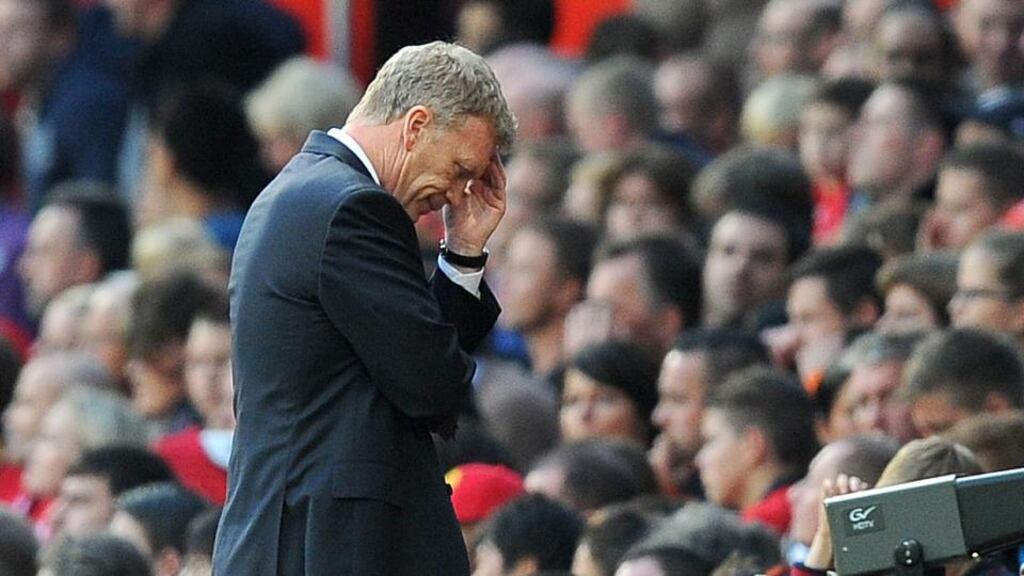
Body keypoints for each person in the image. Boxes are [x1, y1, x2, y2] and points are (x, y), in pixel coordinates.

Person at [214, 42, 516, 576]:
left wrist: (462, 255)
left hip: (293, 537)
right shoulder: (354, 207)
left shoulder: (304, 191)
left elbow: (412, 372)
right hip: (325, 546)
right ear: (416, 126)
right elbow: (432, 387)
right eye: (458, 168)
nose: (455, 194)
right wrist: (464, 257)